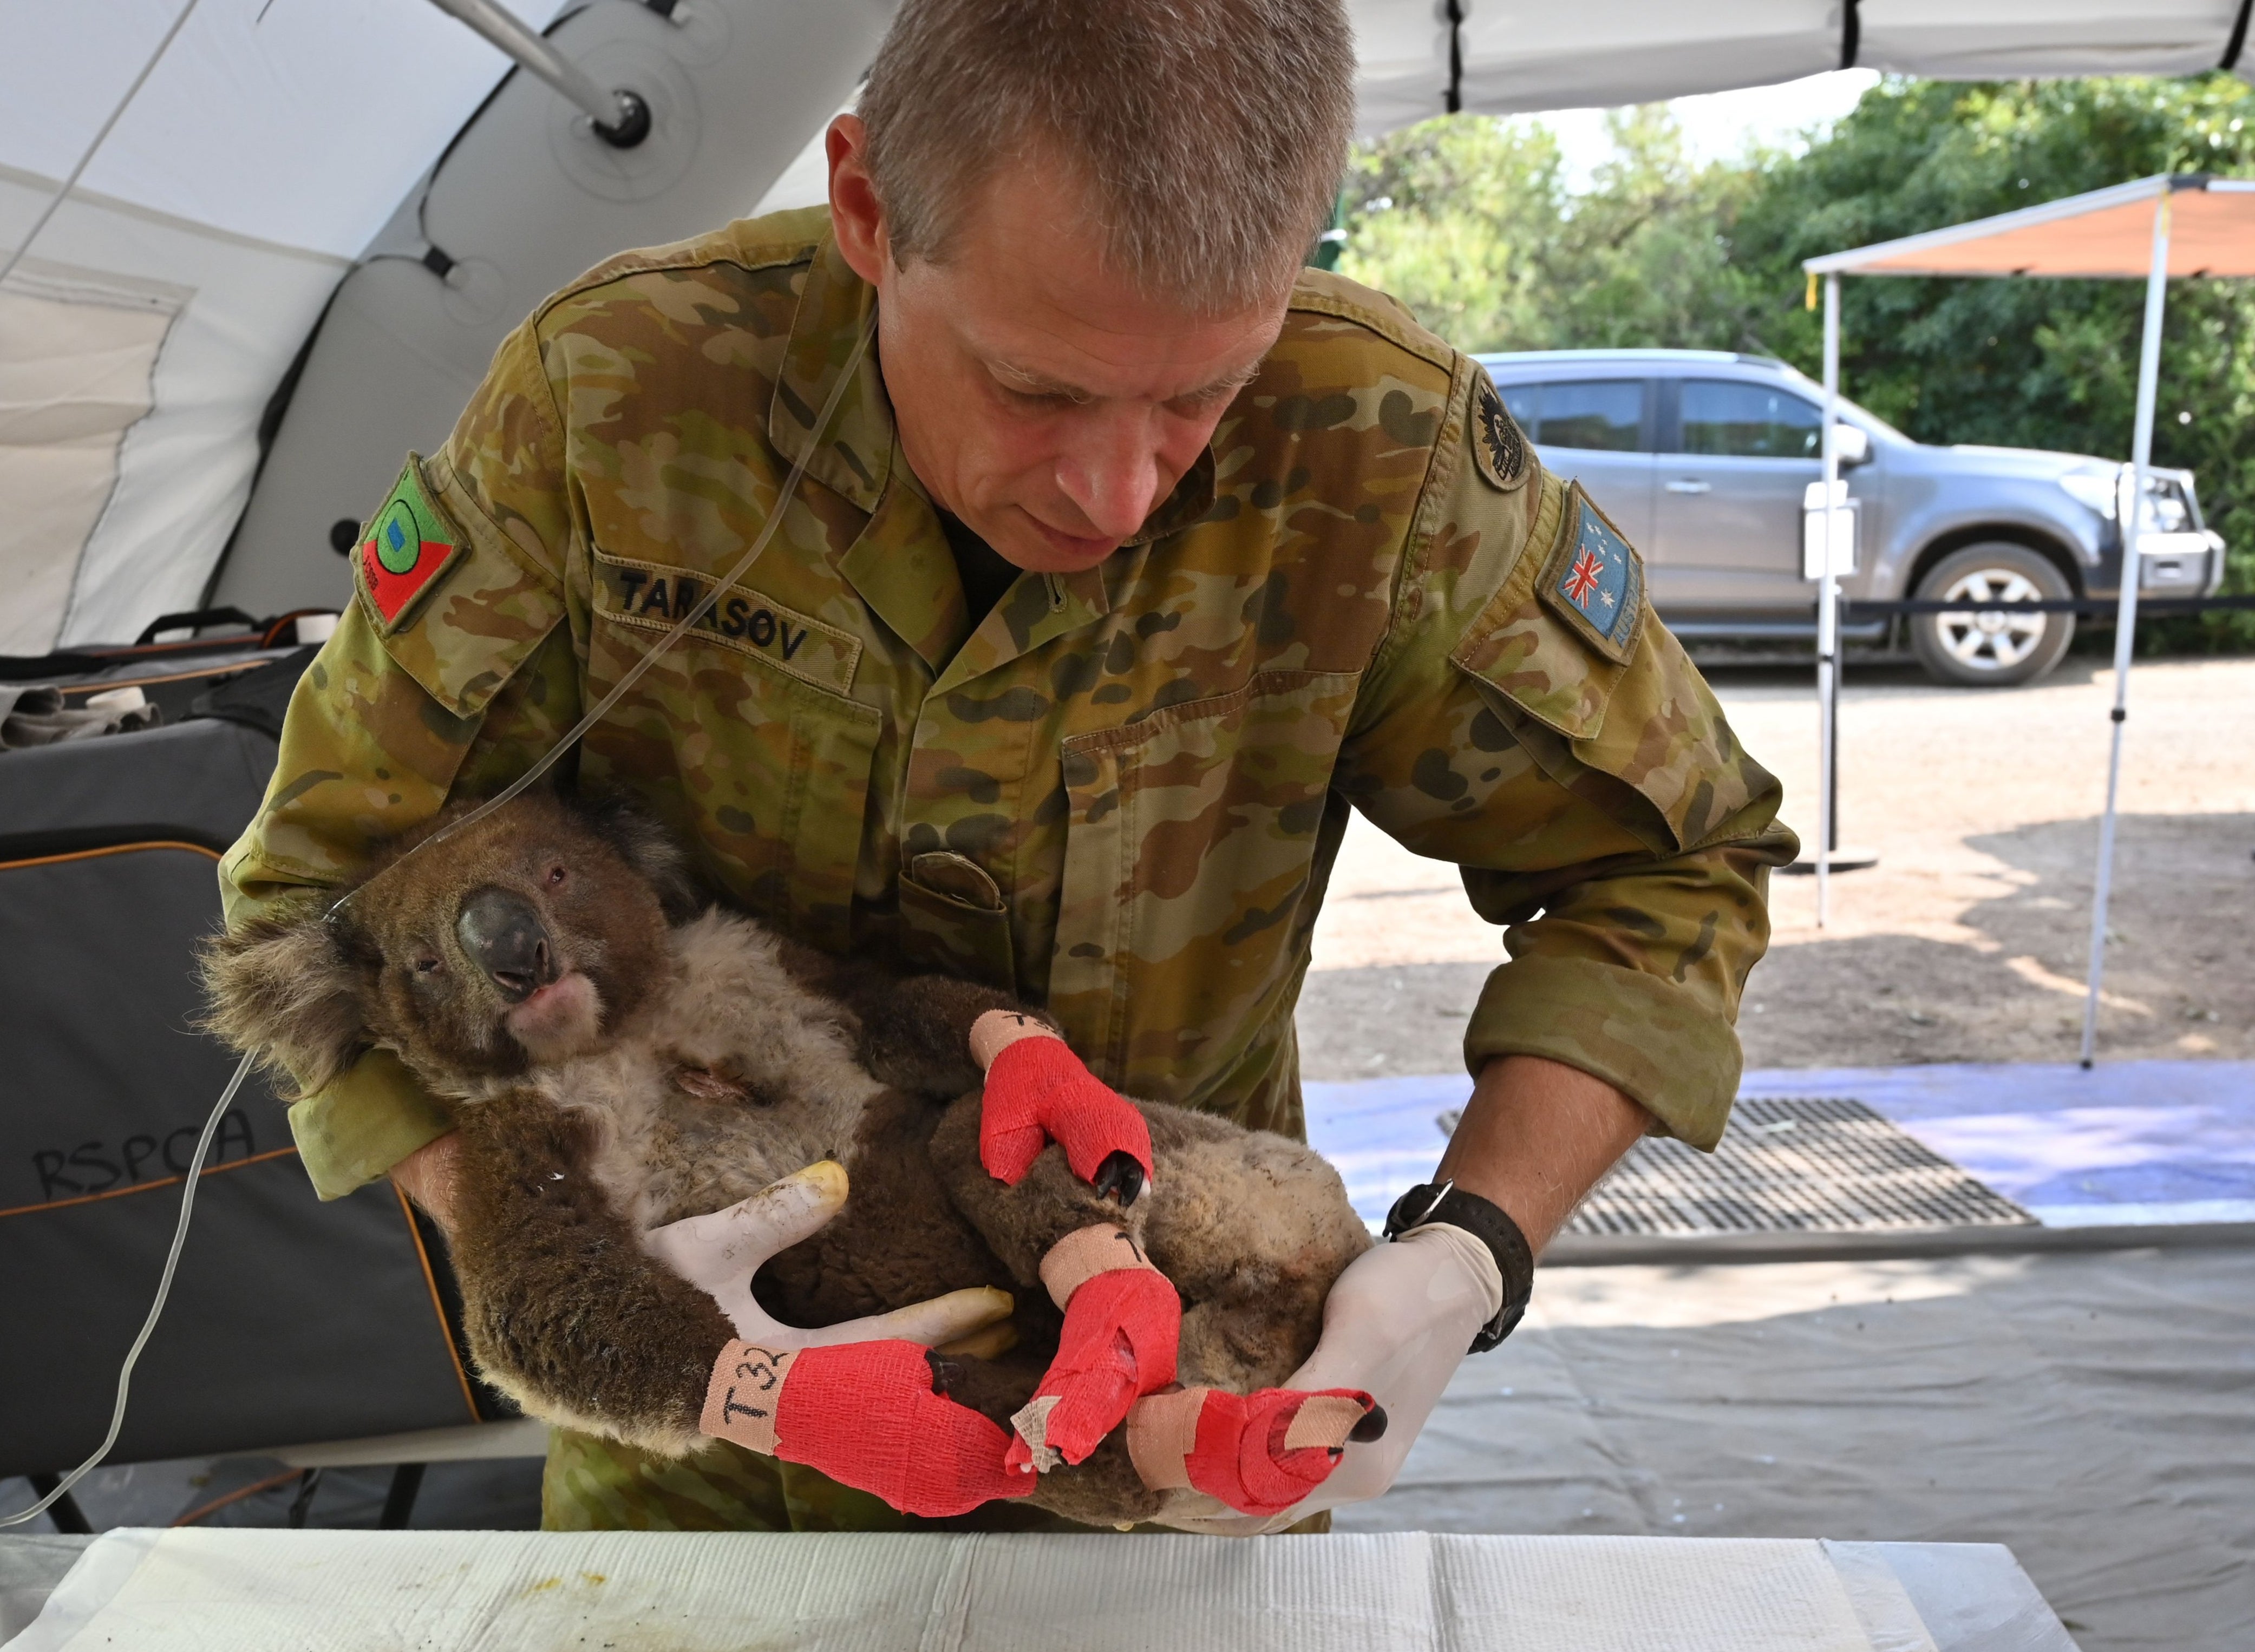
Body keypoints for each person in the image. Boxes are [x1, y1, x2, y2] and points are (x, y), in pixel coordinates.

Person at [220, 0, 1794, 1533]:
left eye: (1199, 397)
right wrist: (589, 1257)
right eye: (1034, 387)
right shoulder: (617, 403)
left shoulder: (1376, 449)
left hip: (1178, 1419)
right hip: (707, 1505)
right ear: (865, 207)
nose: (1115, 492)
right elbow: (316, 891)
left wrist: (1471, 1247)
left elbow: (1667, 866)